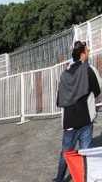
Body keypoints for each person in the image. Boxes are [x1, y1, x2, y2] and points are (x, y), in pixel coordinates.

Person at [55, 41, 101, 182]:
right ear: (82, 54)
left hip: (69, 122)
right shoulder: (88, 69)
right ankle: (83, 178)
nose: (88, 53)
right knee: (85, 153)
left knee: (66, 153)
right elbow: (98, 90)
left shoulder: (64, 75)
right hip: (85, 119)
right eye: (87, 51)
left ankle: (59, 179)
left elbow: (59, 100)